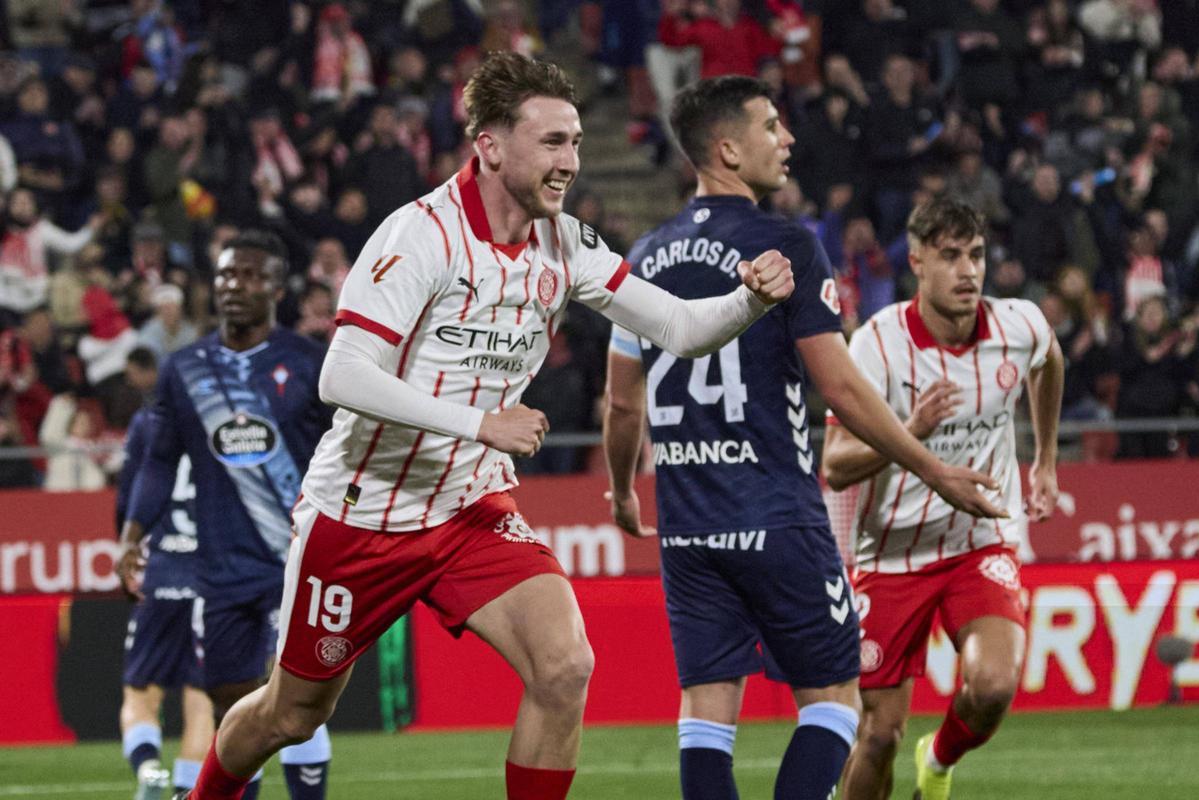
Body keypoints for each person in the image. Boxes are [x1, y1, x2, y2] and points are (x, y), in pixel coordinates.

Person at [176, 51, 795, 800]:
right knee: (292, 712)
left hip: (470, 508)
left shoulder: (564, 242)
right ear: (491, 146)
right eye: (552, 142)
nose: (570, 161)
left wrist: (748, 302)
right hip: (362, 514)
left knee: (565, 665)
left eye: (574, 141)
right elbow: (341, 375)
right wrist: (479, 423)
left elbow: (680, 327)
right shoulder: (419, 236)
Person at [602, 76, 1007, 800]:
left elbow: (621, 403)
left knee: (706, 708)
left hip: (688, 526)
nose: (787, 140)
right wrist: (933, 469)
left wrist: (622, 489)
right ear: (727, 148)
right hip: (776, 514)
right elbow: (844, 389)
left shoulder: (640, 258)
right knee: (832, 700)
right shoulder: (787, 245)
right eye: (771, 126)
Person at [822, 198, 1063, 800]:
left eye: (976, 255)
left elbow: (1050, 361)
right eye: (951, 257)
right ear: (919, 262)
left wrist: (1047, 461)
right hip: (891, 555)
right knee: (878, 736)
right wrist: (912, 435)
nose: (968, 272)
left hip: (977, 544)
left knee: (993, 687)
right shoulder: (877, 344)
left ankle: (941, 756)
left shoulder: (1019, 325)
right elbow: (836, 464)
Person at [117, 230, 334, 800]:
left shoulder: (311, 363)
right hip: (219, 570)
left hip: (298, 564)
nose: (236, 286)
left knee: (297, 703)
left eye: (251, 275)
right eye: (227, 275)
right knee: (235, 707)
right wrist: (133, 534)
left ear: (277, 287)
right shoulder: (185, 368)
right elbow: (160, 462)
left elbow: (350, 452)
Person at [116, 350, 214, 800]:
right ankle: (183, 792)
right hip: (211, 581)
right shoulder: (220, 425)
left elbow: (131, 500)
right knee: (201, 701)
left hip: (162, 573)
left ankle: (149, 768)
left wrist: (130, 549)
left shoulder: (147, 425)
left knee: (140, 693)